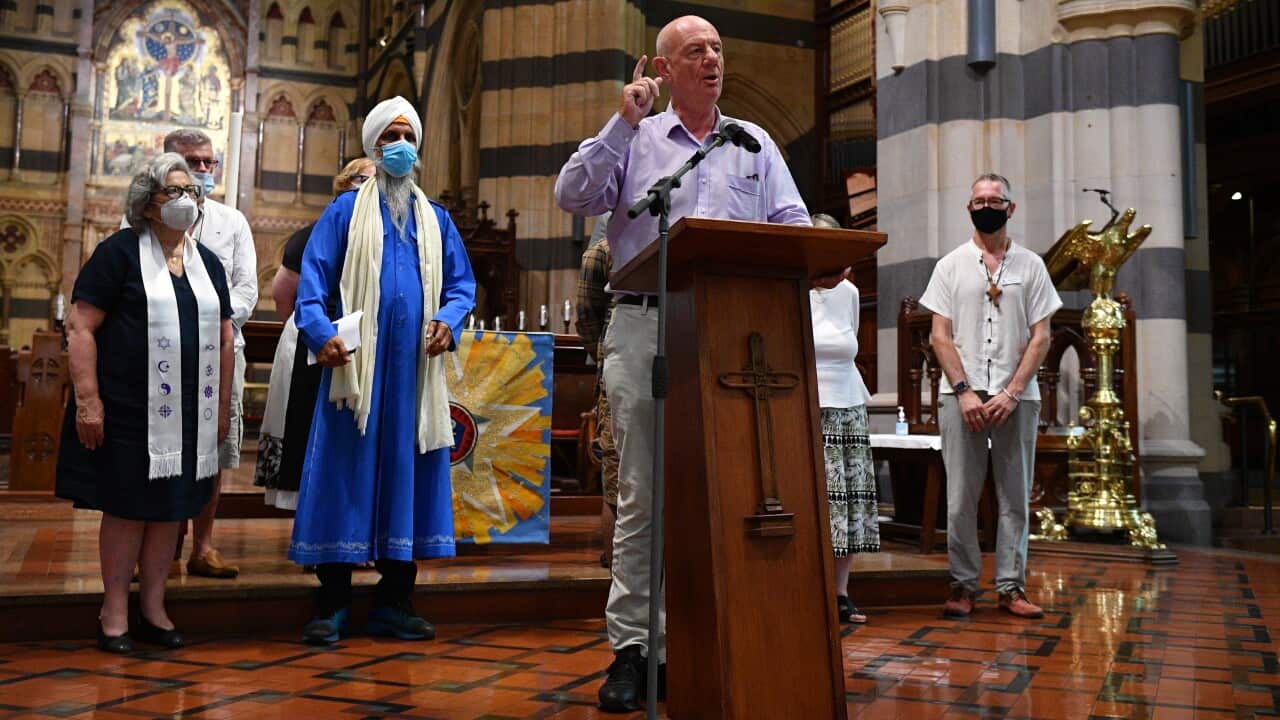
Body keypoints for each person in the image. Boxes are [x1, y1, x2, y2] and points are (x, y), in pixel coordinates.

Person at [554, 15, 811, 712]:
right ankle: (635, 649)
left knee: (726, 490)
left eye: (717, 49)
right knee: (643, 494)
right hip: (646, 324)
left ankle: (709, 638)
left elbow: (793, 225)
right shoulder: (636, 139)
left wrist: (807, 255)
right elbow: (572, 196)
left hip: (731, 331)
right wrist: (621, 122)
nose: (712, 59)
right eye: (696, 51)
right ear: (664, 70)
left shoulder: (753, 143)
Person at [288, 96, 476, 646]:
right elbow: (312, 284)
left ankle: (396, 601)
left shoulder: (436, 218)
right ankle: (333, 604)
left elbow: (461, 285)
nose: (400, 146)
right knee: (344, 475)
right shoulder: (344, 212)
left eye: (408, 137)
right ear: (373, 147)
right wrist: (320, 334)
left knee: (407, 478)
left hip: (414, 377)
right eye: (390, 137)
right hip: (355, 374)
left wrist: (447, 321)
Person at [57, 153, 234, 653]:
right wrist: (88, 402)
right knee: (128, 509)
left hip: (189, 415)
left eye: (191, 192)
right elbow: (80, 327)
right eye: (173, 191)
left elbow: (224, 338)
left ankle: (154, 608)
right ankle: (114, 612)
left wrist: (222, 406)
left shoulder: (207, 264)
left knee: (169, 511)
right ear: (148, 203)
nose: (186, 200)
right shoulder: (118, 253)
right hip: (127, 410)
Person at [918, 173, 1061, 620]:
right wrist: (964, 392)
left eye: (995, 200)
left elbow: (1042, 336)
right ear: (969, 208)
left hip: (1016, 395)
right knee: (960, 497)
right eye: (978, 200)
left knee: (1014, 495)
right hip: (961, 395)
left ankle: (1011, 587)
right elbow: (940, 337)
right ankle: (963, 585)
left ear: (1010, 208)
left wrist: (1012, 392)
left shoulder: (1031, 266)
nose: (986, 207)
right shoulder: (950, 266)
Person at [135, 129, 258, 580]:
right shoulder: (141, 221)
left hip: (221, 350)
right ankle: (161, 550)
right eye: (192, 162)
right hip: (161, 352)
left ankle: (203, 547)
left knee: (214, 449)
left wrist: (208, 320)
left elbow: (246, 288)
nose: (203, 170)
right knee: (161, 446)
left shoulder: (232, 222)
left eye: (209, 162)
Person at [256, 158, 374, 511]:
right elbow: (284, 294)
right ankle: (306, 512)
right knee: (306, 423)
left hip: (365, 341)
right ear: (345, 184)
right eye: (365, 180)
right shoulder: (314, 233)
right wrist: (311, 330)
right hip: (313, 339)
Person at [808, 212, 877, 625]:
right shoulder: (792, 288)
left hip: (849, 402)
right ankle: (808, 587)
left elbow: (849, 344)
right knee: (819, 500)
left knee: (849, 500)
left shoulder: (849, 292)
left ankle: (840, 592)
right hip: (808, 403)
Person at [574, 214, 617, 568]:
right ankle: (618, 568)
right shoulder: (603, 248)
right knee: (617, 476)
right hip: (618, 366)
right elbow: (587, 317)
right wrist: (606, 354)